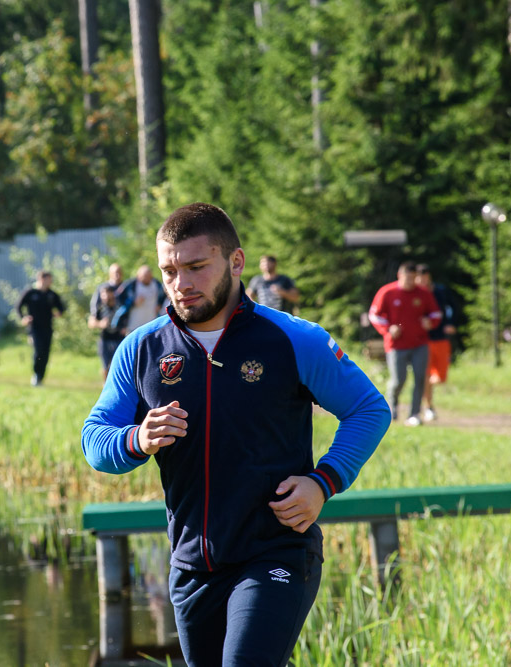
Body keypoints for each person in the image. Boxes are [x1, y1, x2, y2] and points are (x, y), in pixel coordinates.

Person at [81, 202, 390, 667]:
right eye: (169, 271)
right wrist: (136, 440)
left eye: (196, 267)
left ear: (236, 262)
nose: (181, 284)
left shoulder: (292, 339)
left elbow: (369, 409)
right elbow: (94, 440)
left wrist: (324, 481)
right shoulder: (141, 349)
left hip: (276, 552)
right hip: (191, 567)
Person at [368, 261, 442, 426]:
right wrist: (388, 328)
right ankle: (391, 409)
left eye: (413, 278)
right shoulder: (387, 292)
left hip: (420, 343)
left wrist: (429, 322)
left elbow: (436, 314)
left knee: (420, 378)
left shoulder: (423, 293)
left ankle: (414, 414)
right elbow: (374, 315)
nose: (410, 281)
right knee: (398, 380)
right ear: (399, 276)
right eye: (407, 277)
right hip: (396, 345)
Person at [415, 264, 459, 422]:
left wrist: (451, 323)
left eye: (424, 277)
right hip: (424, 340)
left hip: (441, 337)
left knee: (440, 377)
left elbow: (453, 307)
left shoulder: (440, 291)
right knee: (426, 374)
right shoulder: (415, 294)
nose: (422, 281)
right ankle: (428, 406)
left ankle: (424, 389)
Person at [15, 270, 65, 386]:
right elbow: (18, 306)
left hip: (47, 328)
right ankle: (36, 374)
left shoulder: (51, 294)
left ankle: (41, 377)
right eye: (49, 280)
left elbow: (61, 307)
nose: (51, 282)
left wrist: (59, 313)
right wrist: (23, 318)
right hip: (34, 329)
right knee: (39, 351)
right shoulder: (30, 293)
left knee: (46, 353)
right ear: (42, 279)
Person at [112, 265, 166, 334]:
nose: (146, 278)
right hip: (134, 325)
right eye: (144, 276)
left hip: (152, 324)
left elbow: (164, 294)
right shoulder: (131, 285)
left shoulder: (157, 284)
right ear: (138, 276)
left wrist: (159, 304)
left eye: (148, 276)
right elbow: (119, 299)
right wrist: (133, 302)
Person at [88, 284, 125, 380]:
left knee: (116, 365)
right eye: (103, 294)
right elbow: (91, 323)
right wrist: (100, 324)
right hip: (104, 340)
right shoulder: (100, 308)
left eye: (107, 294)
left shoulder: (120, 307)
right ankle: (105, 386)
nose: (105, 297)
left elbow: (127, 319)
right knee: (105, 366)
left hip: (118, 340)